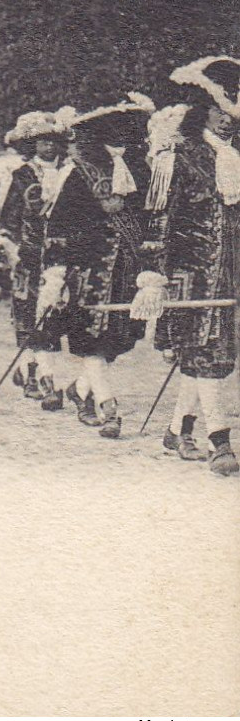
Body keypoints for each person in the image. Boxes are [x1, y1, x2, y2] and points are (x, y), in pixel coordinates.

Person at [135, 57, 240, 475]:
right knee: (206, 355)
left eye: (233, 114)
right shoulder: (178, 156)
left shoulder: (235, 158)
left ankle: (177, 430)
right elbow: (158, 220)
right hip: (190, 277)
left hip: (230, 274)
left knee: (212, 358)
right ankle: (220, 440)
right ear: (202, 112)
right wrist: (153, 277)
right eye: (220, 112)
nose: (228, 121)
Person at [39, 93, 155, 438]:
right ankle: (108, 408)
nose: (124, 130)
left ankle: (79, 389)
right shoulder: (81, 172)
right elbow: (59, 223)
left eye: (129, 123)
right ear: (101, 130)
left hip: (126, 270)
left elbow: (148, 218)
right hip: (88, 269)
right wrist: (56, 271)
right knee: (90, 340)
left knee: (115, 342)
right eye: (116, 124)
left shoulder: (141, 168)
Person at [0, 112, 73, 406]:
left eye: (52, 141)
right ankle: (42, 378)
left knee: (51, 316)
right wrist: (6, 242)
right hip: (28, 254)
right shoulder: (22, 175)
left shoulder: (71, 172)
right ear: (32, 145)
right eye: (41, 142)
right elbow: (9, 216)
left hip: (61, 254)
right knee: (28, 315)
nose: (48, 147)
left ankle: (31, 371)